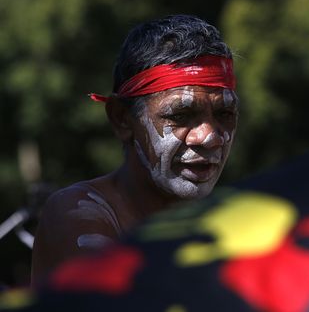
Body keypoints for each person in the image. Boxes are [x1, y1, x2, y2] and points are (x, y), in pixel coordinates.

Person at [31, 15, 239, 281]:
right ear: (122, 119)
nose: (209, 137)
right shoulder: (77, 214)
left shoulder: (229, 224)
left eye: (225, 113)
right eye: (180, 115)